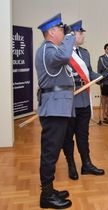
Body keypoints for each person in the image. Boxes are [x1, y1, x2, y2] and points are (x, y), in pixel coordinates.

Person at [36, 13, 75, 209]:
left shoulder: (52, 49)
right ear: (51, 32)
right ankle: (46, 195)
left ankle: (50, 190)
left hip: (59, 106)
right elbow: (65, 56)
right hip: (54, 107)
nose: (64, 31)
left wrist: (66, 37)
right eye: (61, 29)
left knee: (53, 151)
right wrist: (70, 36)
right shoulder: (47, 50)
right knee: (50, 153)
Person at [62, 20, 105, 181]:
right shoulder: (63, 53)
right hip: (69, 103)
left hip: (84, 102)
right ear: (71, 35)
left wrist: (102, 77)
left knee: (83, 135)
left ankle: (86, 164)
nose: (83, 35)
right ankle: (71, 164)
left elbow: (89, 73)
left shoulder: (85, 53)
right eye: (80, 32)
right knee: (67, 136)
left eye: (82, 32)